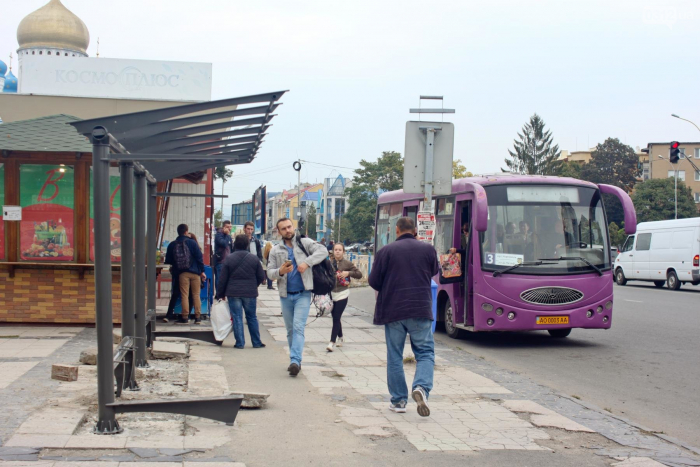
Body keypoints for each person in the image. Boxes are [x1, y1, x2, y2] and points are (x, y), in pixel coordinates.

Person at [368, 217, 439, 417]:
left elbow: (374, 281)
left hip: (393, 310)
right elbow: (434, 271)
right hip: (420, 309)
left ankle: (398, 401)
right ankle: (421, 388)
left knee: (395, 356)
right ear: (415, 231)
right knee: (425, 353)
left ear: (396, 230)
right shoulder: (428, 250)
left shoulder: (385, 251)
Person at [267, 217, 328, 376]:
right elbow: (269, 272)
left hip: (303, 293)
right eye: (284, 228)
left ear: (293, 227)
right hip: (285, 295)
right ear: (279, 232)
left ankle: (295, 361)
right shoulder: (275, 250)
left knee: (298, 327)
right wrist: (280, 272)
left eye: (289, 227)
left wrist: (307, 262)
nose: (288, 230)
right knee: (290, 330)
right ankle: (294, 359)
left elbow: (323, 251)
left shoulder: (304, 243)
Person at [216, 234, 266, 349]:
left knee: (237, 317)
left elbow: (222, 279)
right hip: (250, 292)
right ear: (247, 244)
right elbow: (261, 276)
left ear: (235, 244)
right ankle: (256, 342)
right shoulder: (254, 258)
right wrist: (254, 285)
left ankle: (240, 343)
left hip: (233, 292)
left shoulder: (229, 258)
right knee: (252, 317)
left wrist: (220, 294)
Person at [165, 224, 206, 324]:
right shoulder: (192, 243)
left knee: (184, 295)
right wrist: (202, 271)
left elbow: (169, 260)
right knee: (196, 295)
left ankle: (185, 317)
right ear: (186, 231)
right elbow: (199, 258)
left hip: (182, 273)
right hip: (195, 273)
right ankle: (197, 318)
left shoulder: (172, 244)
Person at [326, 243, 362, 352]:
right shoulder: (329, 263)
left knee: (336, 317)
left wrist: (348, 273)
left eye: (340, 250)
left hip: (343, 293)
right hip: (331, 293)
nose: (337, 251)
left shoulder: (347, 263)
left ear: (343, 252)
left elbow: (359, 274)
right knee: (335, 317)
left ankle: (332, 342)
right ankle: (340, 337)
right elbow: (324, 275)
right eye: (335, 250)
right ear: (333, 251)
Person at [213, 220, 233, 287]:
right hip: (220, 261)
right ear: (223, 227)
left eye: (230, 227)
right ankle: (219, 295)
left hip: (228, 261)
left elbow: (231, 248)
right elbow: (224, 244)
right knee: (219, 278)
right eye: (228, 227)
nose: (229, 228)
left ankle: (223, 294)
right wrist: (227, 235)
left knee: (226, 279)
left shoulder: (228, 236)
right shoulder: (219, 235)